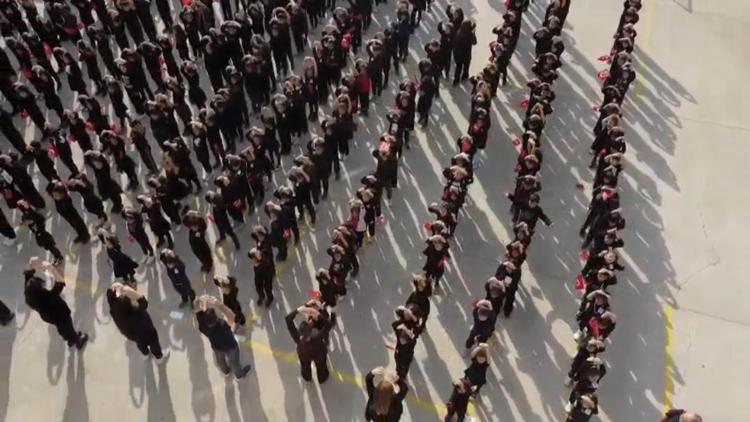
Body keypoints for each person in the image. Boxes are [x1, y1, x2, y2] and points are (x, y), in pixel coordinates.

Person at [23, 258, 89, 349]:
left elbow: (27, 275)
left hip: (49, 317)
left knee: (61, 328)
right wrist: (52, 269)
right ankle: (77, 340)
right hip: (60, 314)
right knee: (67, 327)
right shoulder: (48, 298)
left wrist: (31, 263)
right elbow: (60, 282)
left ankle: (69, 339)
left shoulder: (29, 293)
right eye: (41, 286)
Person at [107, 282, 169, 363]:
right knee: (153, 341)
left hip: (131, 334)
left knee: (140, 343)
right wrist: (127, 290)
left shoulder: (113, 311)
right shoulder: (136, 313)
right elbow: (144, 303)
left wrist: (121, 291)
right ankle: (159, 357)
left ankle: (145, 354)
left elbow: (118, 299)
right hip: (144, 329)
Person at [194, 295, 252, 379]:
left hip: (217, 347)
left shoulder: (203, 327)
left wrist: (200, 303)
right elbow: (232, 317)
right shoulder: (223, 324)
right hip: (231, 346)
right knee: (234, 363)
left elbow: (198, 312)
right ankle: (239, 375)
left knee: (220, 361)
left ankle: (226, 371)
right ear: (216, 317)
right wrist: (219, 304)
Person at [285, 300, 335, 383]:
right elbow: (329, 324)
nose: (310, 321)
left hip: (303, 353)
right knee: (321, 366)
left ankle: (307, 377)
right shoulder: (317, 335)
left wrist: (298, 310)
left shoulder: (297, 336)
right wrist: (318, 314)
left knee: (305, 366)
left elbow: (288, 319)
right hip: (319, 353)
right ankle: (322, 378)